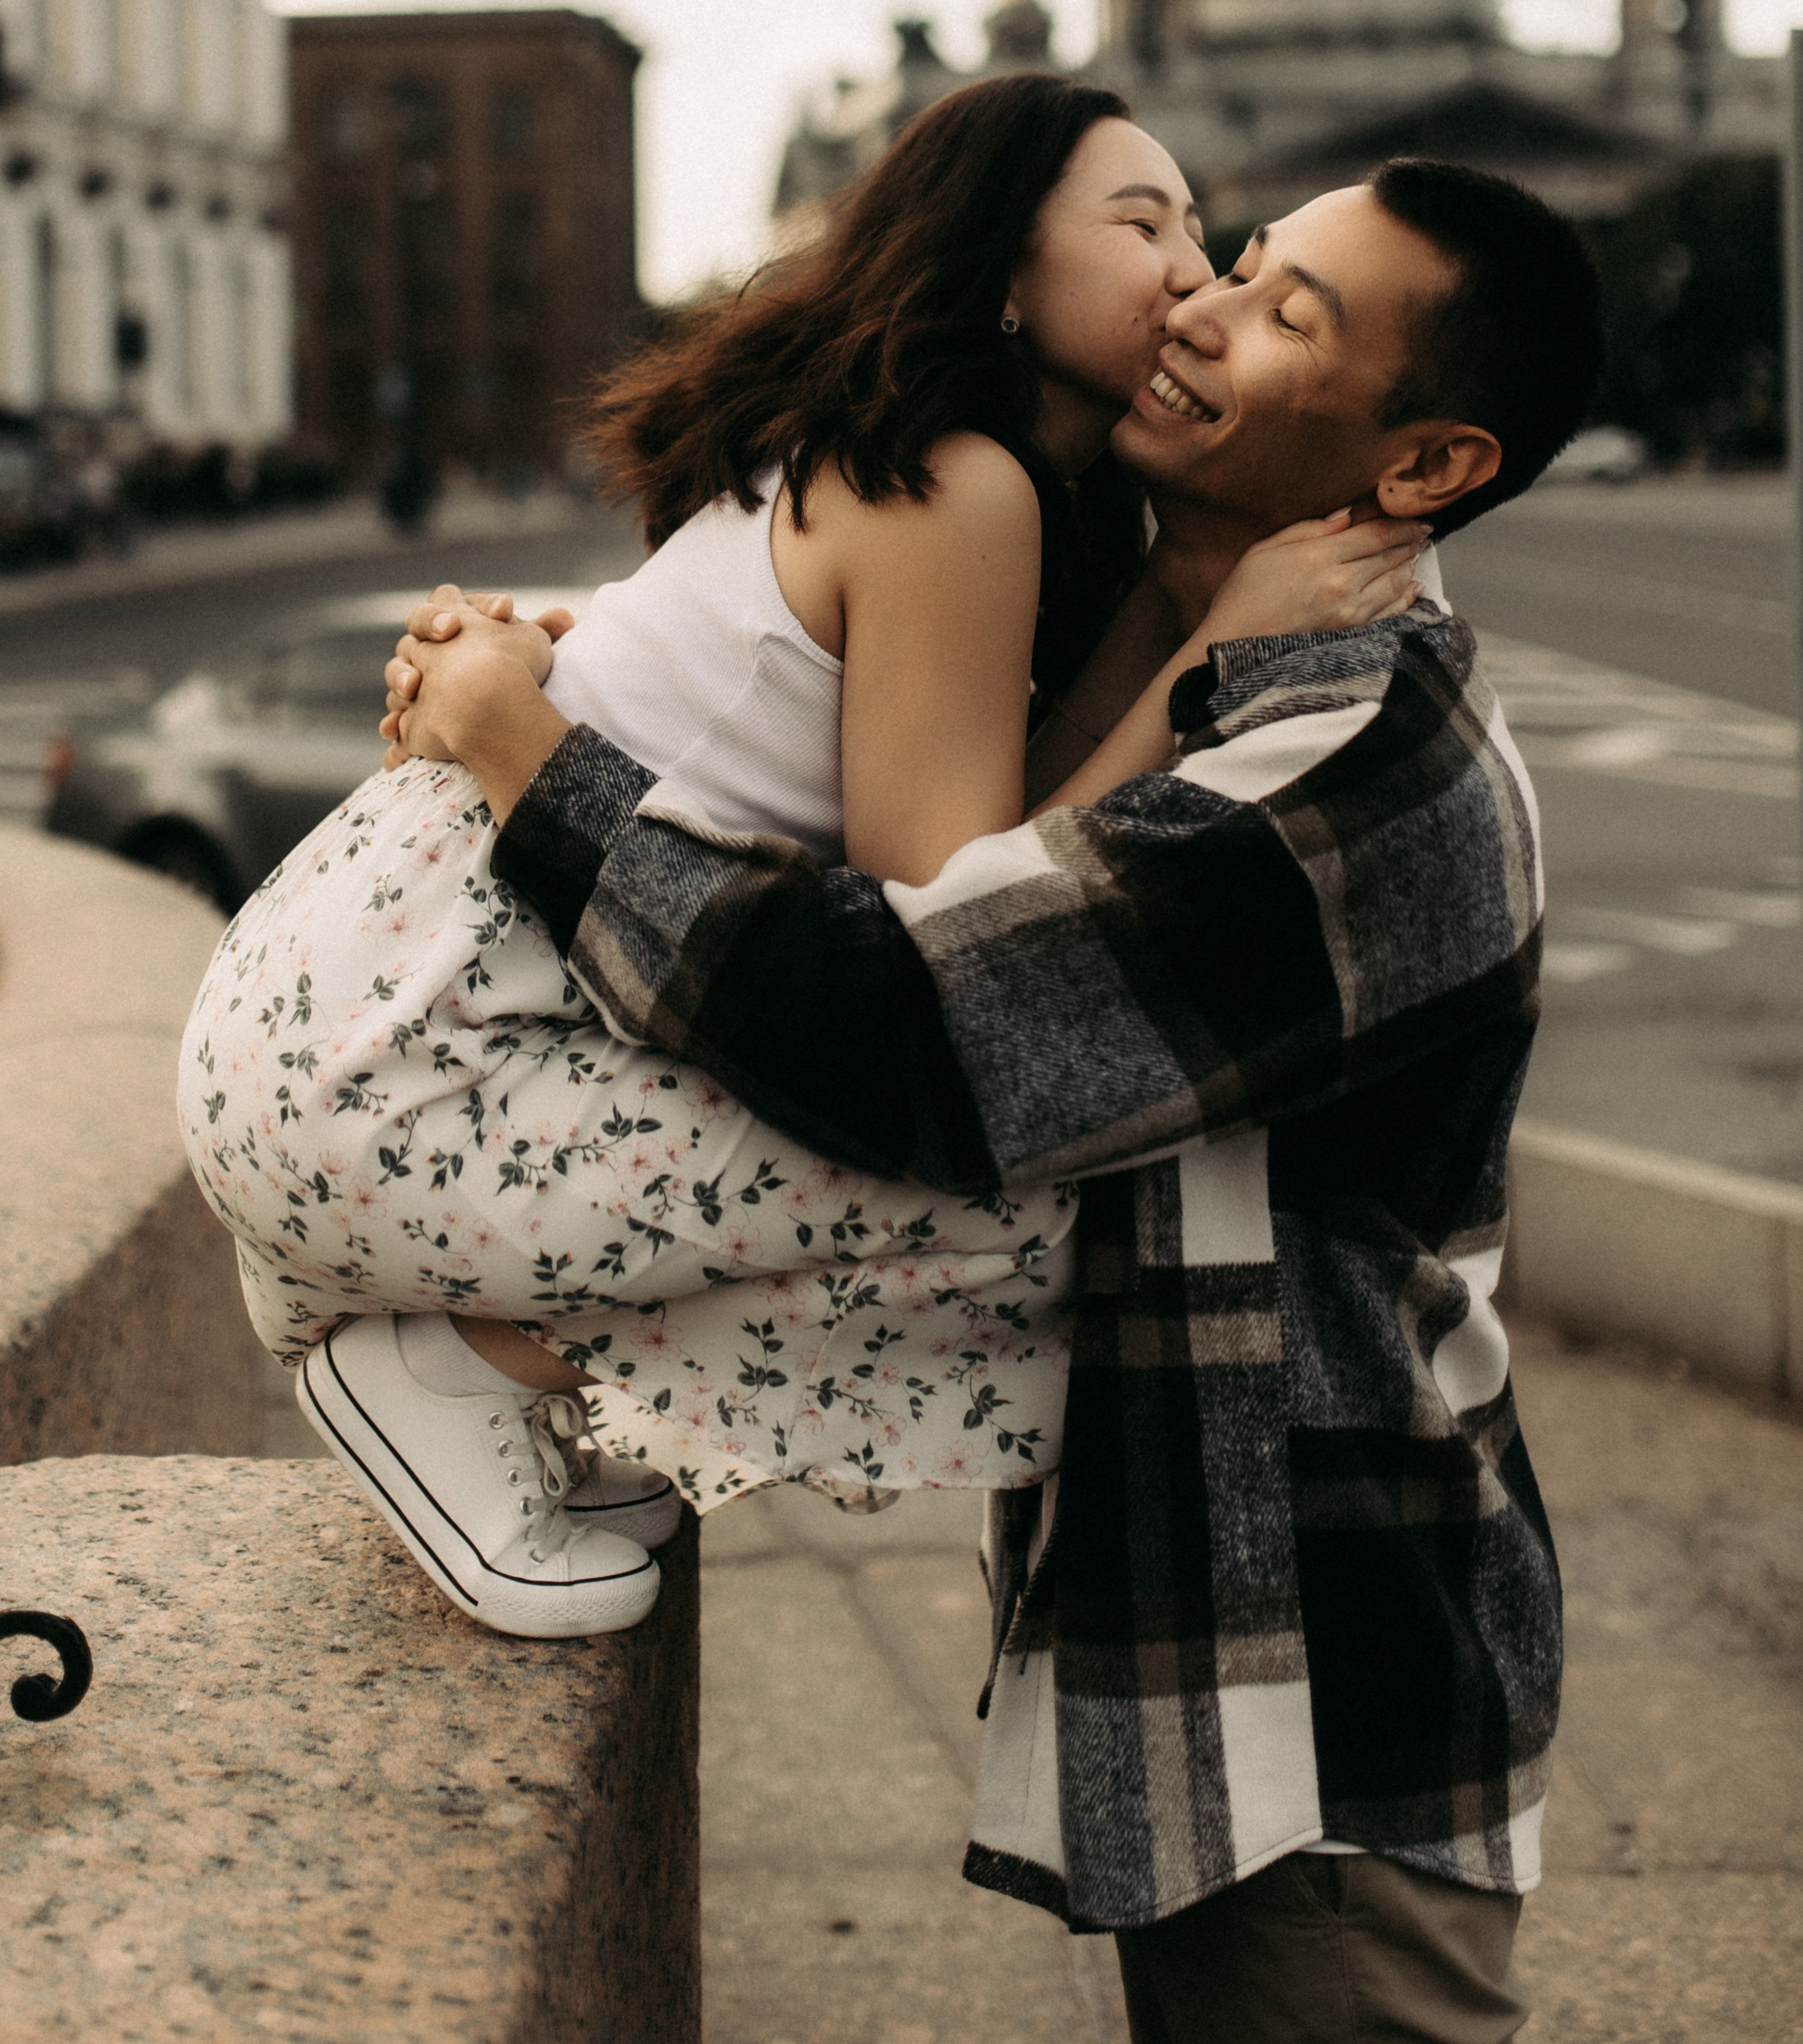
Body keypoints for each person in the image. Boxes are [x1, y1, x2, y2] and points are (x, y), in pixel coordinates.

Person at [383, 158, 1604, 2044]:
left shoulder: (1356, 756)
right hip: (1250, 1628)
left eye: (1284, 313)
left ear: (1425, 464)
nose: (1199, 303)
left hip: (1327, 1679)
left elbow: (903, 1025)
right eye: (1237, 260)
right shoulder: (1201, 644)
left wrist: (527, 758)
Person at [176, 75, 1419, 1644]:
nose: (1191, 275)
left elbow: (992, 814)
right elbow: (961, 932)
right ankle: (461, 1372)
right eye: (1142, 225)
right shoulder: (952, 486)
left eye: (1198, 230)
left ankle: (489, 1378)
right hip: (408, 1056)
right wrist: (1212, 644)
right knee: (1028, 1209)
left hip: (348, 1008)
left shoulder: (907, 459)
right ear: (1003, 270)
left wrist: (1181, 604)